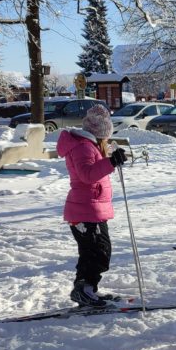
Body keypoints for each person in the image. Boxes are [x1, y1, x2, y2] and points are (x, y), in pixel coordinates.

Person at [56, 104, 128, 307]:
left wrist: (111, 159)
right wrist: (110, 162)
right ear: (100, 133)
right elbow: (87, 175)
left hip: (91, 209)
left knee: (96, 251)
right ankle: (84, 290)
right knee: (97, 252)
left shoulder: (89, 146)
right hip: (85, 210)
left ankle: (87, 289)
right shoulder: (83, 147)